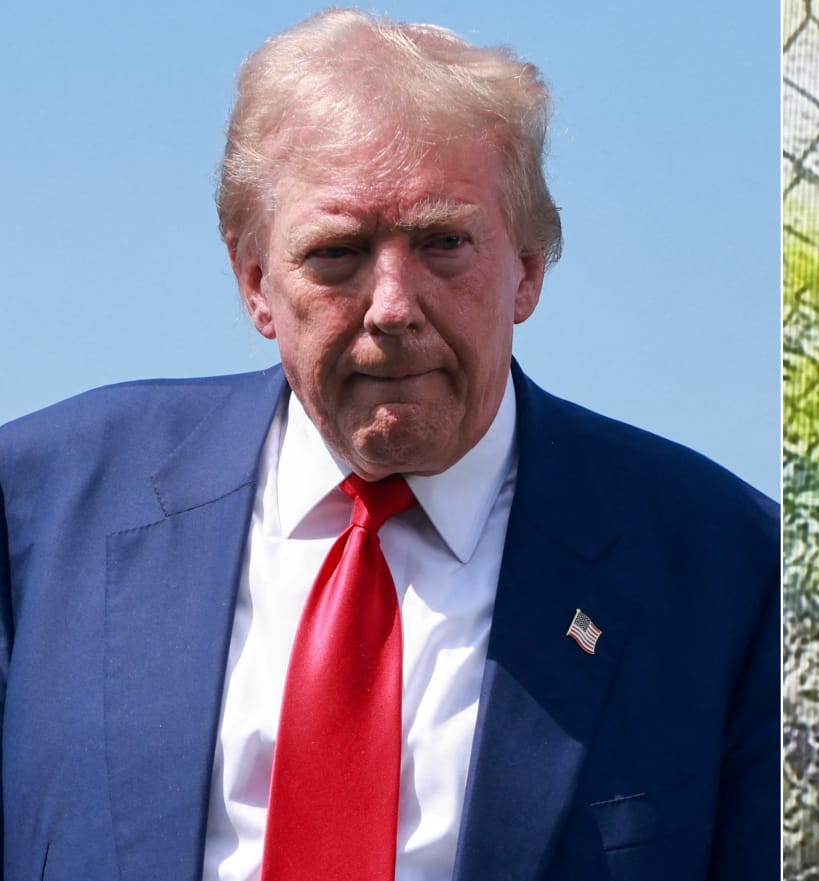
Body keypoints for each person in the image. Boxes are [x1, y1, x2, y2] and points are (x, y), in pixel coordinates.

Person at [0, 9, 778, 881]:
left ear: (528, 265)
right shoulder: (40, 515)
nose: (393, 305)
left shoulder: (732, 572)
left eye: (445, 242)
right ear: (254, 280)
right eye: (337, 252)